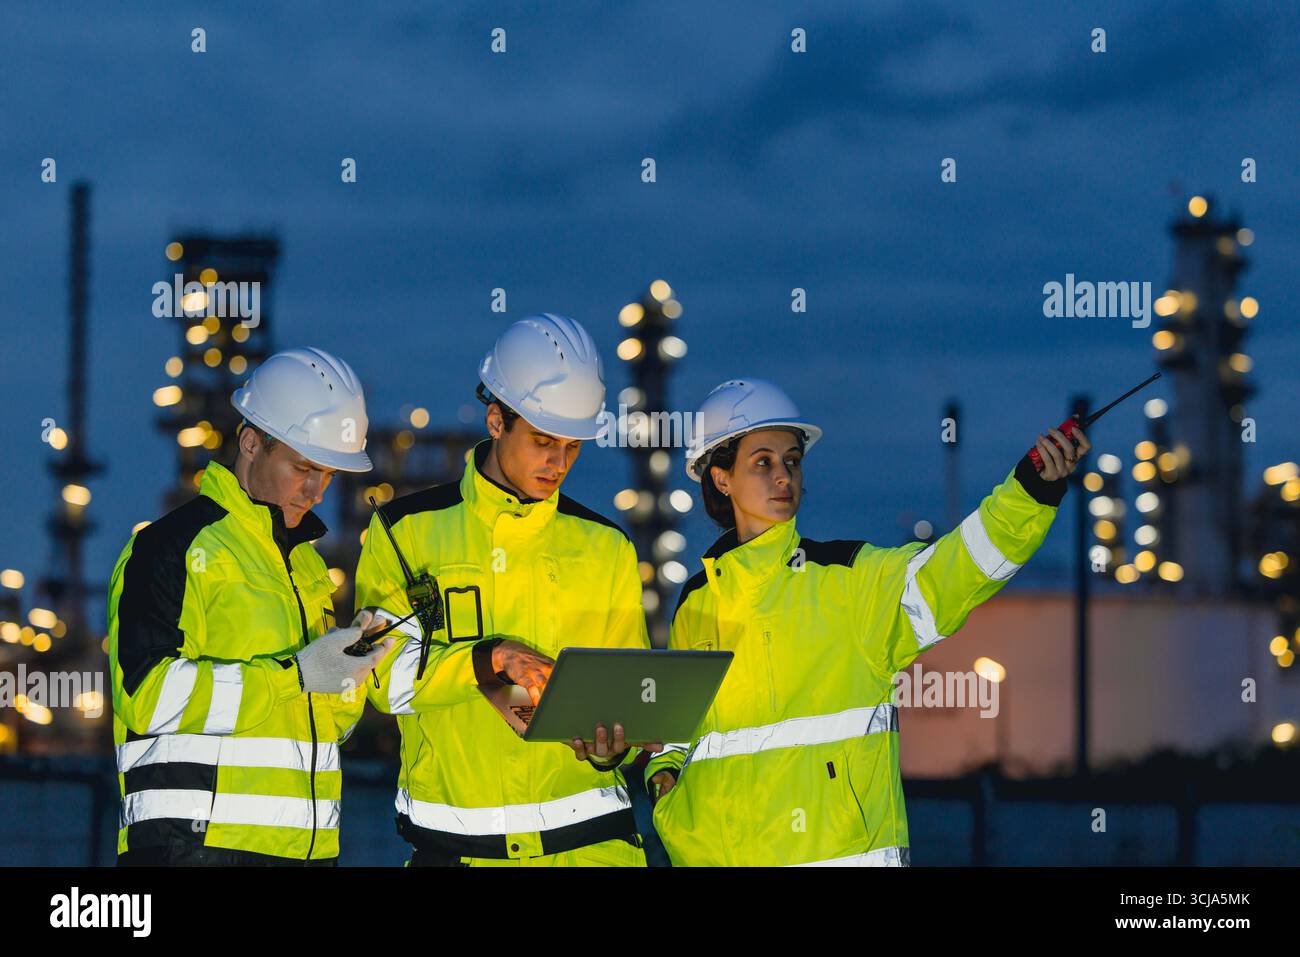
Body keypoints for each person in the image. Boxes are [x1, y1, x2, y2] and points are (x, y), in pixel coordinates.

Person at [644, 378, 1090, 866]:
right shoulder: (697, 603)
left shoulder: (853, 581)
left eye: (792, 461)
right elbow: (681, 730)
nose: (783, 477)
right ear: (720, 477)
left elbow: (959, 569)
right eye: (763, 462)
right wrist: (662, 779)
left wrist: (1032, 490)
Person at [352, 313, 658, 867]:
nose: (558, 463)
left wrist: (616, 748)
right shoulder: (405, 532)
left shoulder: (606, 547)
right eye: (543, 440)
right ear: (496, 420)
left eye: (573, 446)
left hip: (591, 853)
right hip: (457, 853)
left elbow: (625, 695)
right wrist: (487, 661)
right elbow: (378, 678)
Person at [108, 347, 394, 865]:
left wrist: (351, 672)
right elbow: (144, 697)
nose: (316, 491)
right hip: (193, 850)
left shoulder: (307, 567)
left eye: (328, 474)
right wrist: (297, 675)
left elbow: (325, 727)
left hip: (307, 852)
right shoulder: (170, 548)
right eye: (302, 467)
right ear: (250, 443)